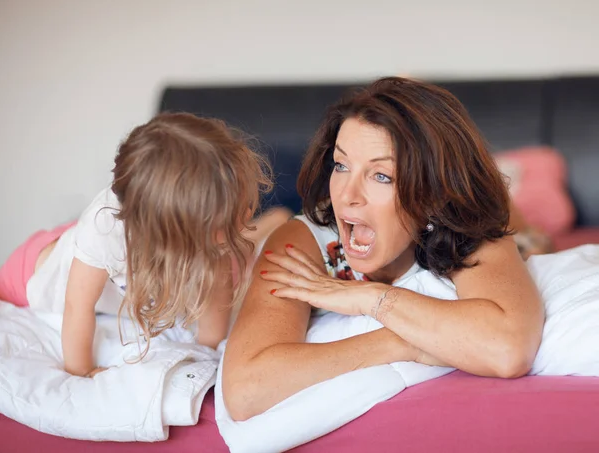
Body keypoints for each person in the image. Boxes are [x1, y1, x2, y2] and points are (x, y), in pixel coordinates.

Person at [222, 77, 545, 421]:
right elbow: (245, 391)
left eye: (381, 176)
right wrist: (400, 343)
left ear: (433, 191)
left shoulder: (467, 230)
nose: (347, 195)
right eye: (341, 165)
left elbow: (508, 349)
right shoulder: (305, 242)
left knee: (525, 234)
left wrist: (371, 299)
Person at [0, 113, 291, 378]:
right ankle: (266, 225)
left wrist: (208, 356)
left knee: (233, 264)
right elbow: (77, 305)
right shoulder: (105, 229)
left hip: (152, 262)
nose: (244, 215)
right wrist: (82, 371)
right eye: (231, 217)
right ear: (180, 229)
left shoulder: (210, 245)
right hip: (45, 266)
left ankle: (271, 223)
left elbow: (215, 309)